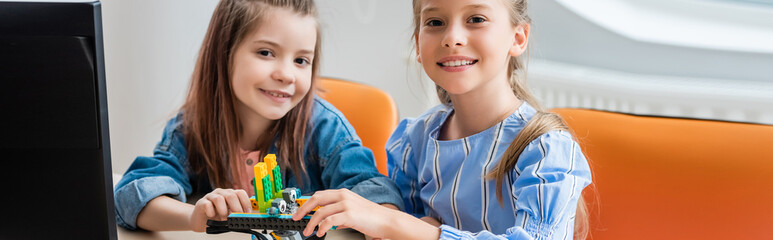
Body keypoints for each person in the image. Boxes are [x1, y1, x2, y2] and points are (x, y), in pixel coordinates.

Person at [293, 0, 592, 239]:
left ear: (518, 37)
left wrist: (400, 225)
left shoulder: (545, 150)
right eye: (435, 22)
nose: (452, 38)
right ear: (417, 43)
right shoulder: (414, 140)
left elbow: (400, 227)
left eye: (476, 19)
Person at [113, 0, 402, 232]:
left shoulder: (325, 129)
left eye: (301, 60)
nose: (286, 74)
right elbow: (130, 196)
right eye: (266, 52)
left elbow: (380, 200)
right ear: (224, 54)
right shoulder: (190, 129)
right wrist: (194, 217)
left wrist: (374, 216)